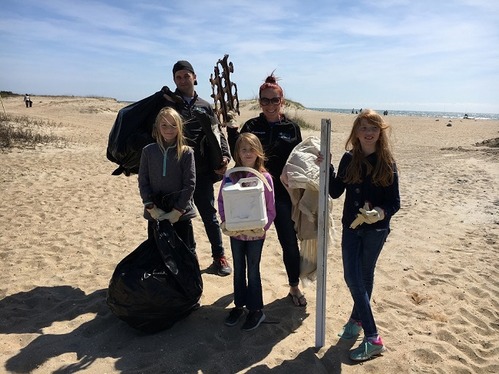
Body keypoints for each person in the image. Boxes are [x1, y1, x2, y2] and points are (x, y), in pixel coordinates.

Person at [227, 73, 307, 306]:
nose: (270, 105)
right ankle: (244, 289)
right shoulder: (252, 125)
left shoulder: (291, 128)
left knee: (289, 242)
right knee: (246, 242)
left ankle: (293, 286)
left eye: (274, 100)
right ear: (259, 102)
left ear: (282, 102)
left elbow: (298, 159)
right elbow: (239, 154)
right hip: (252, 192)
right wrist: (232, 131)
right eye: (265, 100)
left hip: (281, 194)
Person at [328, 109, 400, 361]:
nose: (368, 133)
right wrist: (327, 166)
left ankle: (373, 337)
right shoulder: (349, 159)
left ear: (381, 132)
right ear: (356, 133)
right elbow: (335, 192)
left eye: (373, 128)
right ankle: (356, 320)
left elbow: (394, 203)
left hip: (375, 231)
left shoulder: (387, 161)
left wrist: (379, 213)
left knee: (360, 277)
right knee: (355, 276)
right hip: (351, 227)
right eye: (363, 128)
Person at [165, 60, 232, 276]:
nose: (183, 80)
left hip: (202, 170)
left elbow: (217, 132)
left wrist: (225, 154)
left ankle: (219, 256)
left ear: (195, 77)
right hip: (177, 171)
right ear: (174, 80)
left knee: (209, 214)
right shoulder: (168, 105)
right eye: (179, 77)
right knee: (182, 215)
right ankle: (187, 259)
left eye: (186, 75)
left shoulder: (205, 105)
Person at [218, 133, 276, 331]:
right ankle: (239, 306)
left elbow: (271, 208)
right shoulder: (231, 176)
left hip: (255, 235)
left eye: (252, 149)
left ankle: (256, 310)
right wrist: (226, 221)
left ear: (258, 151)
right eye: (244, 149)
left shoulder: (265, 177)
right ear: (237, 153)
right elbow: (221, 200)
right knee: (238, 270)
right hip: (236, 234)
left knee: (253, 269)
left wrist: (262, 228)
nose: (248, 153)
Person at [138, 107, 197, 253]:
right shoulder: (148, 151)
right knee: (157, 252)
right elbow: (143, 180)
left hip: (180, 215)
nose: (169, 129)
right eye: (164, 125)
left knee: (185, 253)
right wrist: (151, 207)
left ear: (179, 126)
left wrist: (177, 211)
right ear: (157, 127)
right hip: (155, 213)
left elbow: (190, 183)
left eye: (173, 125)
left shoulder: (186, 152)